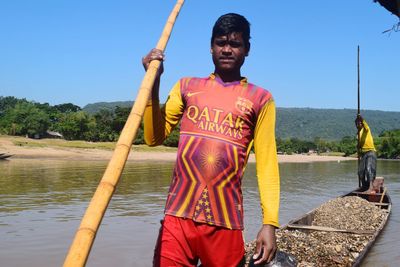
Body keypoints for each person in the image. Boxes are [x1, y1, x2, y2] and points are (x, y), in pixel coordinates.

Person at [142, 13, 280, 267]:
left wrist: (269, 223)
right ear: (211, 46)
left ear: (247, 49)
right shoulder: (186, 87)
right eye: (220, 43)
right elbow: (153, 138)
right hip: (177, 218)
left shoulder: (260, 99)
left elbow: (267, 167)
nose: (227, 49)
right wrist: (154, 82)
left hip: (224, 222)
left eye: (235, 44)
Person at [355, 115, 377, 192]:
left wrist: (361, 118)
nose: (359, 124)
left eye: (360, 123)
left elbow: (365, 125)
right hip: (364, 154)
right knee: (360, 172)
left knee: (368, 169)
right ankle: (364, 186)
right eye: (357, 123)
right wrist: (358, 146)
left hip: (370, 151)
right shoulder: (358, 134)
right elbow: (359, 145)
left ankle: (370, 187)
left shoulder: (366, 129)